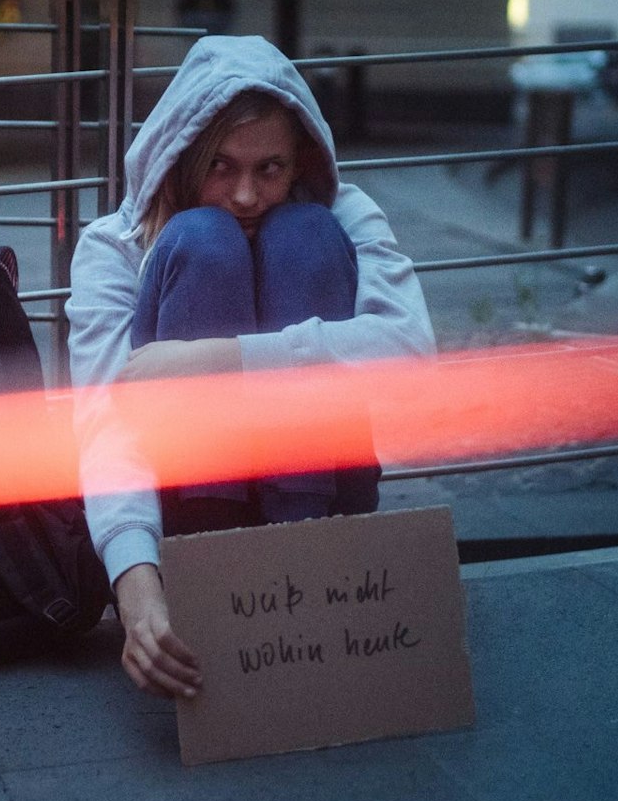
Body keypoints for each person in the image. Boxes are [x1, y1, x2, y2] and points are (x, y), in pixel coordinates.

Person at [67, 35, 437, 699]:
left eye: (270, 168)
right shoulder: (113, 247)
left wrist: (221, 362)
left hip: (325, 510)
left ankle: (307, 579)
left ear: (299, 161)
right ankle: (220, 574)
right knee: (201, 242)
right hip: (190, 522)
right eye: (221, 165)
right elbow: (104, 424)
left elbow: (411, 354)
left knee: (305, 236)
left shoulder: (343, 213)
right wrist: (137, 589)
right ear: (181, 159)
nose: (245, 194)